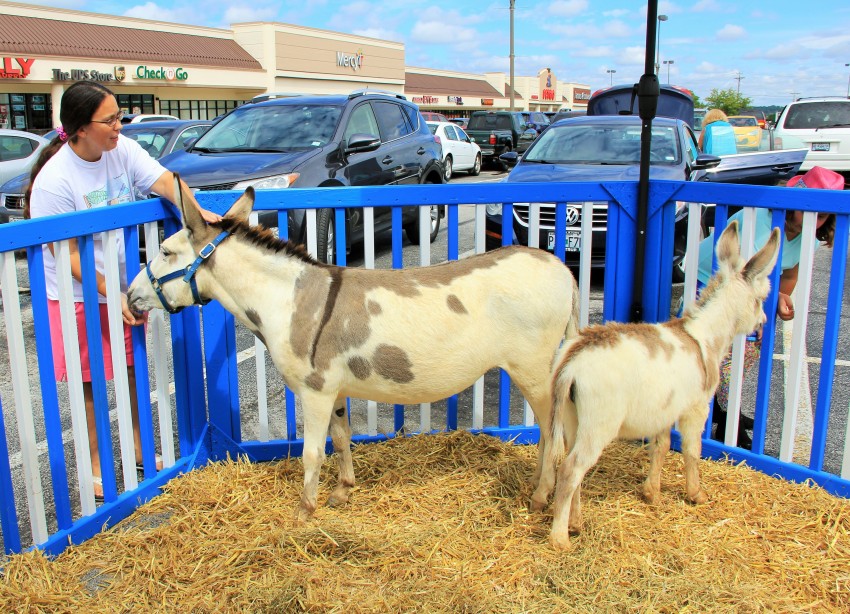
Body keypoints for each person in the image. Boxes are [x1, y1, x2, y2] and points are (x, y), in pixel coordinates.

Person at [25, 81, 221, 500]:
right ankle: (95, 467)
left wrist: (197, 213)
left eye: (120, 116)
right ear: (79, 128)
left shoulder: (122, 151)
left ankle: (139, 451)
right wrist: (105, 293)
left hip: (120, 286)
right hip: (77, 294)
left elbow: (165, 180)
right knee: (90, 382)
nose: (120, 126)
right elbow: (66, 256)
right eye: (110, 120)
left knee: (131, 370)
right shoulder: (53, 181)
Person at [688, 166, 841, 448]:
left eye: (822, 216)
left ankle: (723, 412)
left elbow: (788, 274)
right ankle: (726, 421)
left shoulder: (807, 237)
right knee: (717, 351)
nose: (813, 219)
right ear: (794, 200)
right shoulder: (761, 223)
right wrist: (763, 309)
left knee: (743, 350)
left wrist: (779, 298)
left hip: (746, 294)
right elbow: (741, 277)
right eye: (809, 211)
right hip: (711, 279)